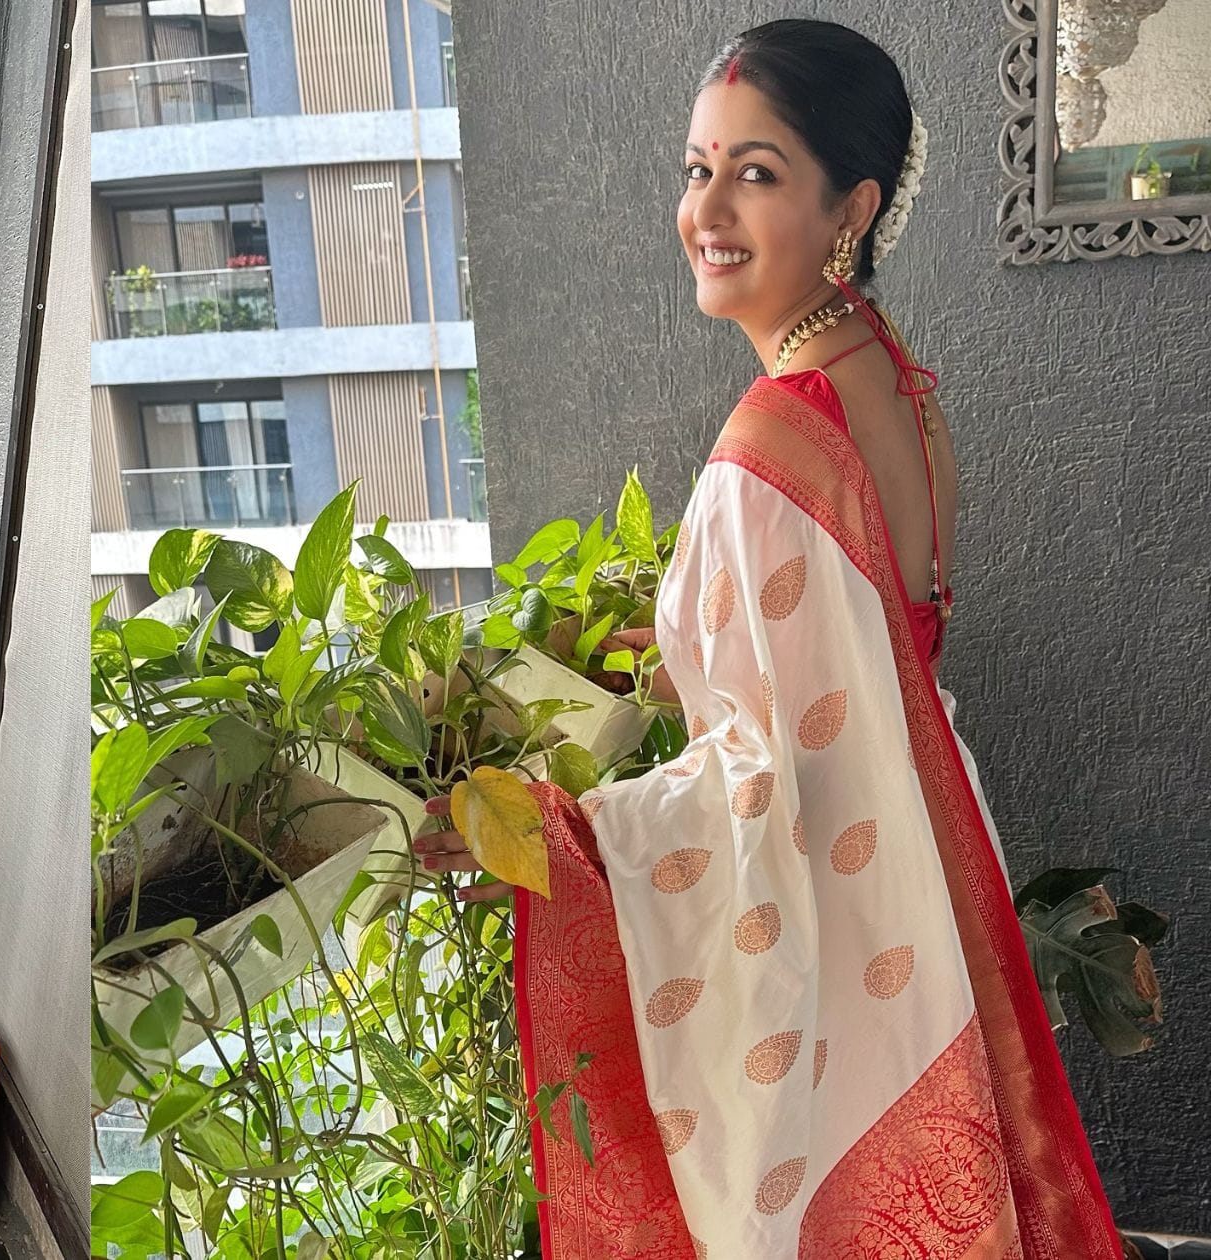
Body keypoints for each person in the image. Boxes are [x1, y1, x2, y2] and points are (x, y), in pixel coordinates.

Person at [410, 20, 1128, 1258]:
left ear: (847, 208)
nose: (707, 209)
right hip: (915, 861)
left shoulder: (769, 441)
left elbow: (757, 783)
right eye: (697, 170)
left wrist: (559, 836)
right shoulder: (896, 381)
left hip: (841, 911)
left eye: (755, 172)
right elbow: (862, 656)